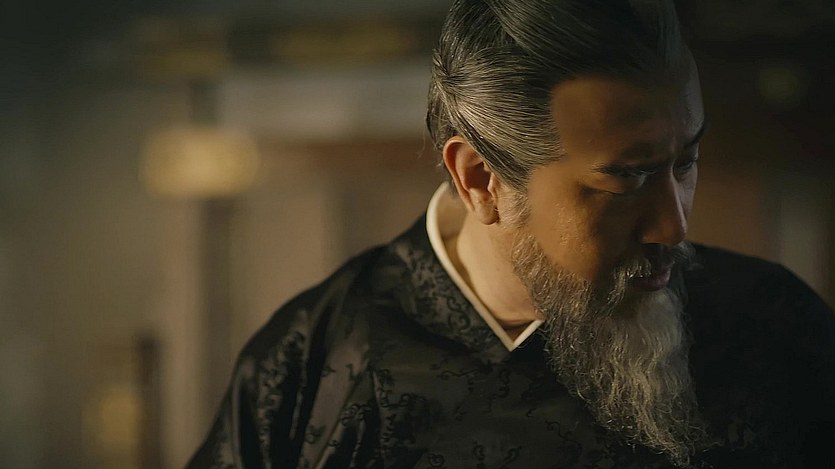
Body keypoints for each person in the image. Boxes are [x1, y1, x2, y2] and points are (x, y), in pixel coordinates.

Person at [186, 1, 835, 467]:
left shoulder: (776, 327)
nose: (674, 225)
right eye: (626, 177)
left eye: (685, 162)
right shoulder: (313, 368)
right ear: (479, 179)